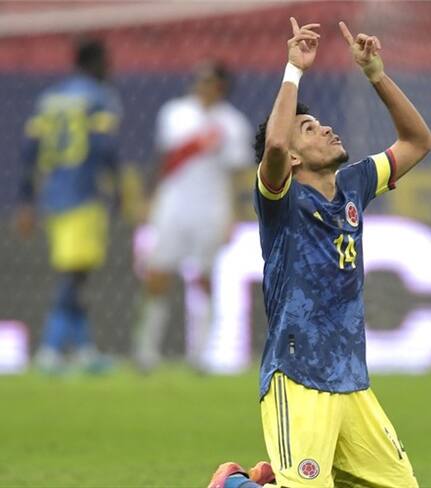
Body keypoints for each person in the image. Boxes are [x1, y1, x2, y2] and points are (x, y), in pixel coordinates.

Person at [208, 16, 431, 488]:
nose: (326, 128)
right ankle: (234, 484)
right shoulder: (280, 200)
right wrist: (294, 69)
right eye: (308, 128)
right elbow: (273, 140)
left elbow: (417, 141)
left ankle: (269, 483)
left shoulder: (354, 184)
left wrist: (375, 74)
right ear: (291, 157)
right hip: (298, 375)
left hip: (352, 378)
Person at [133, 62, 254, 373]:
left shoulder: (233, 124)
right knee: (158, 274)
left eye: (209, 80)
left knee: (204, 279)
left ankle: (199, 354)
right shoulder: (174, 113)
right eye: (199, 79)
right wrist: (149, 198)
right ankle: (146, 351)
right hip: (172, 206)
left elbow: (236, 176)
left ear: (222, 86)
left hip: (211, 209)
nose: (201, 85)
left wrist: (234, 216)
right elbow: (161, 160)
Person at [15, 38, 121, 374]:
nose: (111, 68)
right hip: (83, 193)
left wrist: (26, 200)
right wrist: (117, 187)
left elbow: (29, 150)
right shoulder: (99, 99)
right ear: (95, 62)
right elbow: (105, 147)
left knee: (76, 274)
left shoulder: (49, 99)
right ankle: (50, 347)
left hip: (53, 194)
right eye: (107, 60)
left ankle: (84, 349)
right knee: (74, 275)